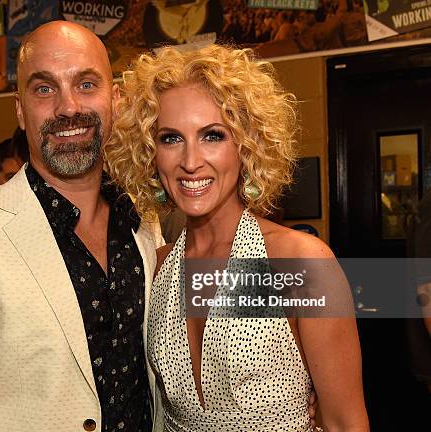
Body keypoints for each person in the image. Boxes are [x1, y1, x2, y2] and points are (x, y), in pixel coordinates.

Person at [0, 21, 164, 431]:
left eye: (87, 84)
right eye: (44, 89)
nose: (68, 107)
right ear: (20, 110)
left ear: (116, 99)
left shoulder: (145, 221)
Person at [104, 45, 368, 431]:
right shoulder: (155, 267)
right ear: (150, 154)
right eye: (171, 138)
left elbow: (346, 421)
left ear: (246, 145)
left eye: (212, 135)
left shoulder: (300, 262)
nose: (191, 161)